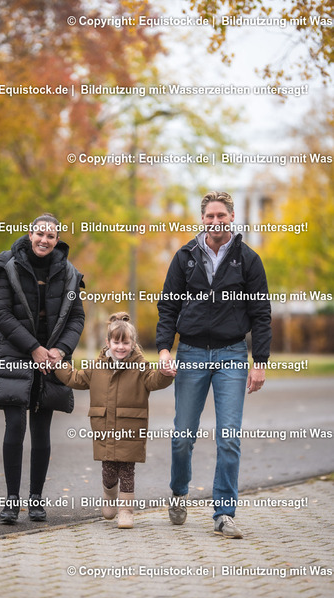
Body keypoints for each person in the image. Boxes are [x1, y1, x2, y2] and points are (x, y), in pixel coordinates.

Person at [156, 191, 271, 538]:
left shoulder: (248, 260)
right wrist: (164, 349)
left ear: (232, 217)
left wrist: (260, 360)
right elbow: (168, 305)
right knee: (182, 436)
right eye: (210, 216)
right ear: (203, 218)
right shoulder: (185, 256)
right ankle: (179, 492)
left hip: (232, 355)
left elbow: (261, 313)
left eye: (222, 215)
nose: (216, 221)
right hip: (190, 353)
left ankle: (224, 513)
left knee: (229, 437)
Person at [0, 214, 85, 524]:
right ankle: (12, 501)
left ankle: (36, 499)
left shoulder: (69, 273)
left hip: (50, 359)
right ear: (30, 234)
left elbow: (76, 318)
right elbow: (1, 314)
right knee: (15, 426)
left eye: (50, 236)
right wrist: (34, 348)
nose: (44, 239)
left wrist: (60, 350)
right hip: (14, 354)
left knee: (42, 430)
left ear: (57, 240)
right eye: (40, 233)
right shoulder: (7, 266)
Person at [55, 312, 175, 529]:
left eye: (125, 343)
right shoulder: (97, 367)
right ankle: (109, 496)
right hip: (104, 427)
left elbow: (154, 380)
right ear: (108, 342)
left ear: (133, 344)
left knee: (127, 470)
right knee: (109, 469)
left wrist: (165, 374)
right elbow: (75, 378)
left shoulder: (140, 367)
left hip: (131, 427)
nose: (121, 347)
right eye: (116, 342)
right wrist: (58, 365)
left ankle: (126, 511)